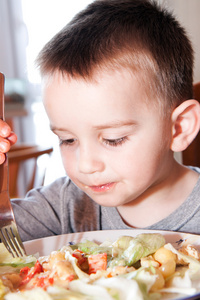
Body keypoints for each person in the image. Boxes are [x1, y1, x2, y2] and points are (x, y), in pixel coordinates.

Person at [0, 0, 200, 242]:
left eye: (112, 140)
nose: (85, 165)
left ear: (179, 128)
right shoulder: (65, 204)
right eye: (68, 139)